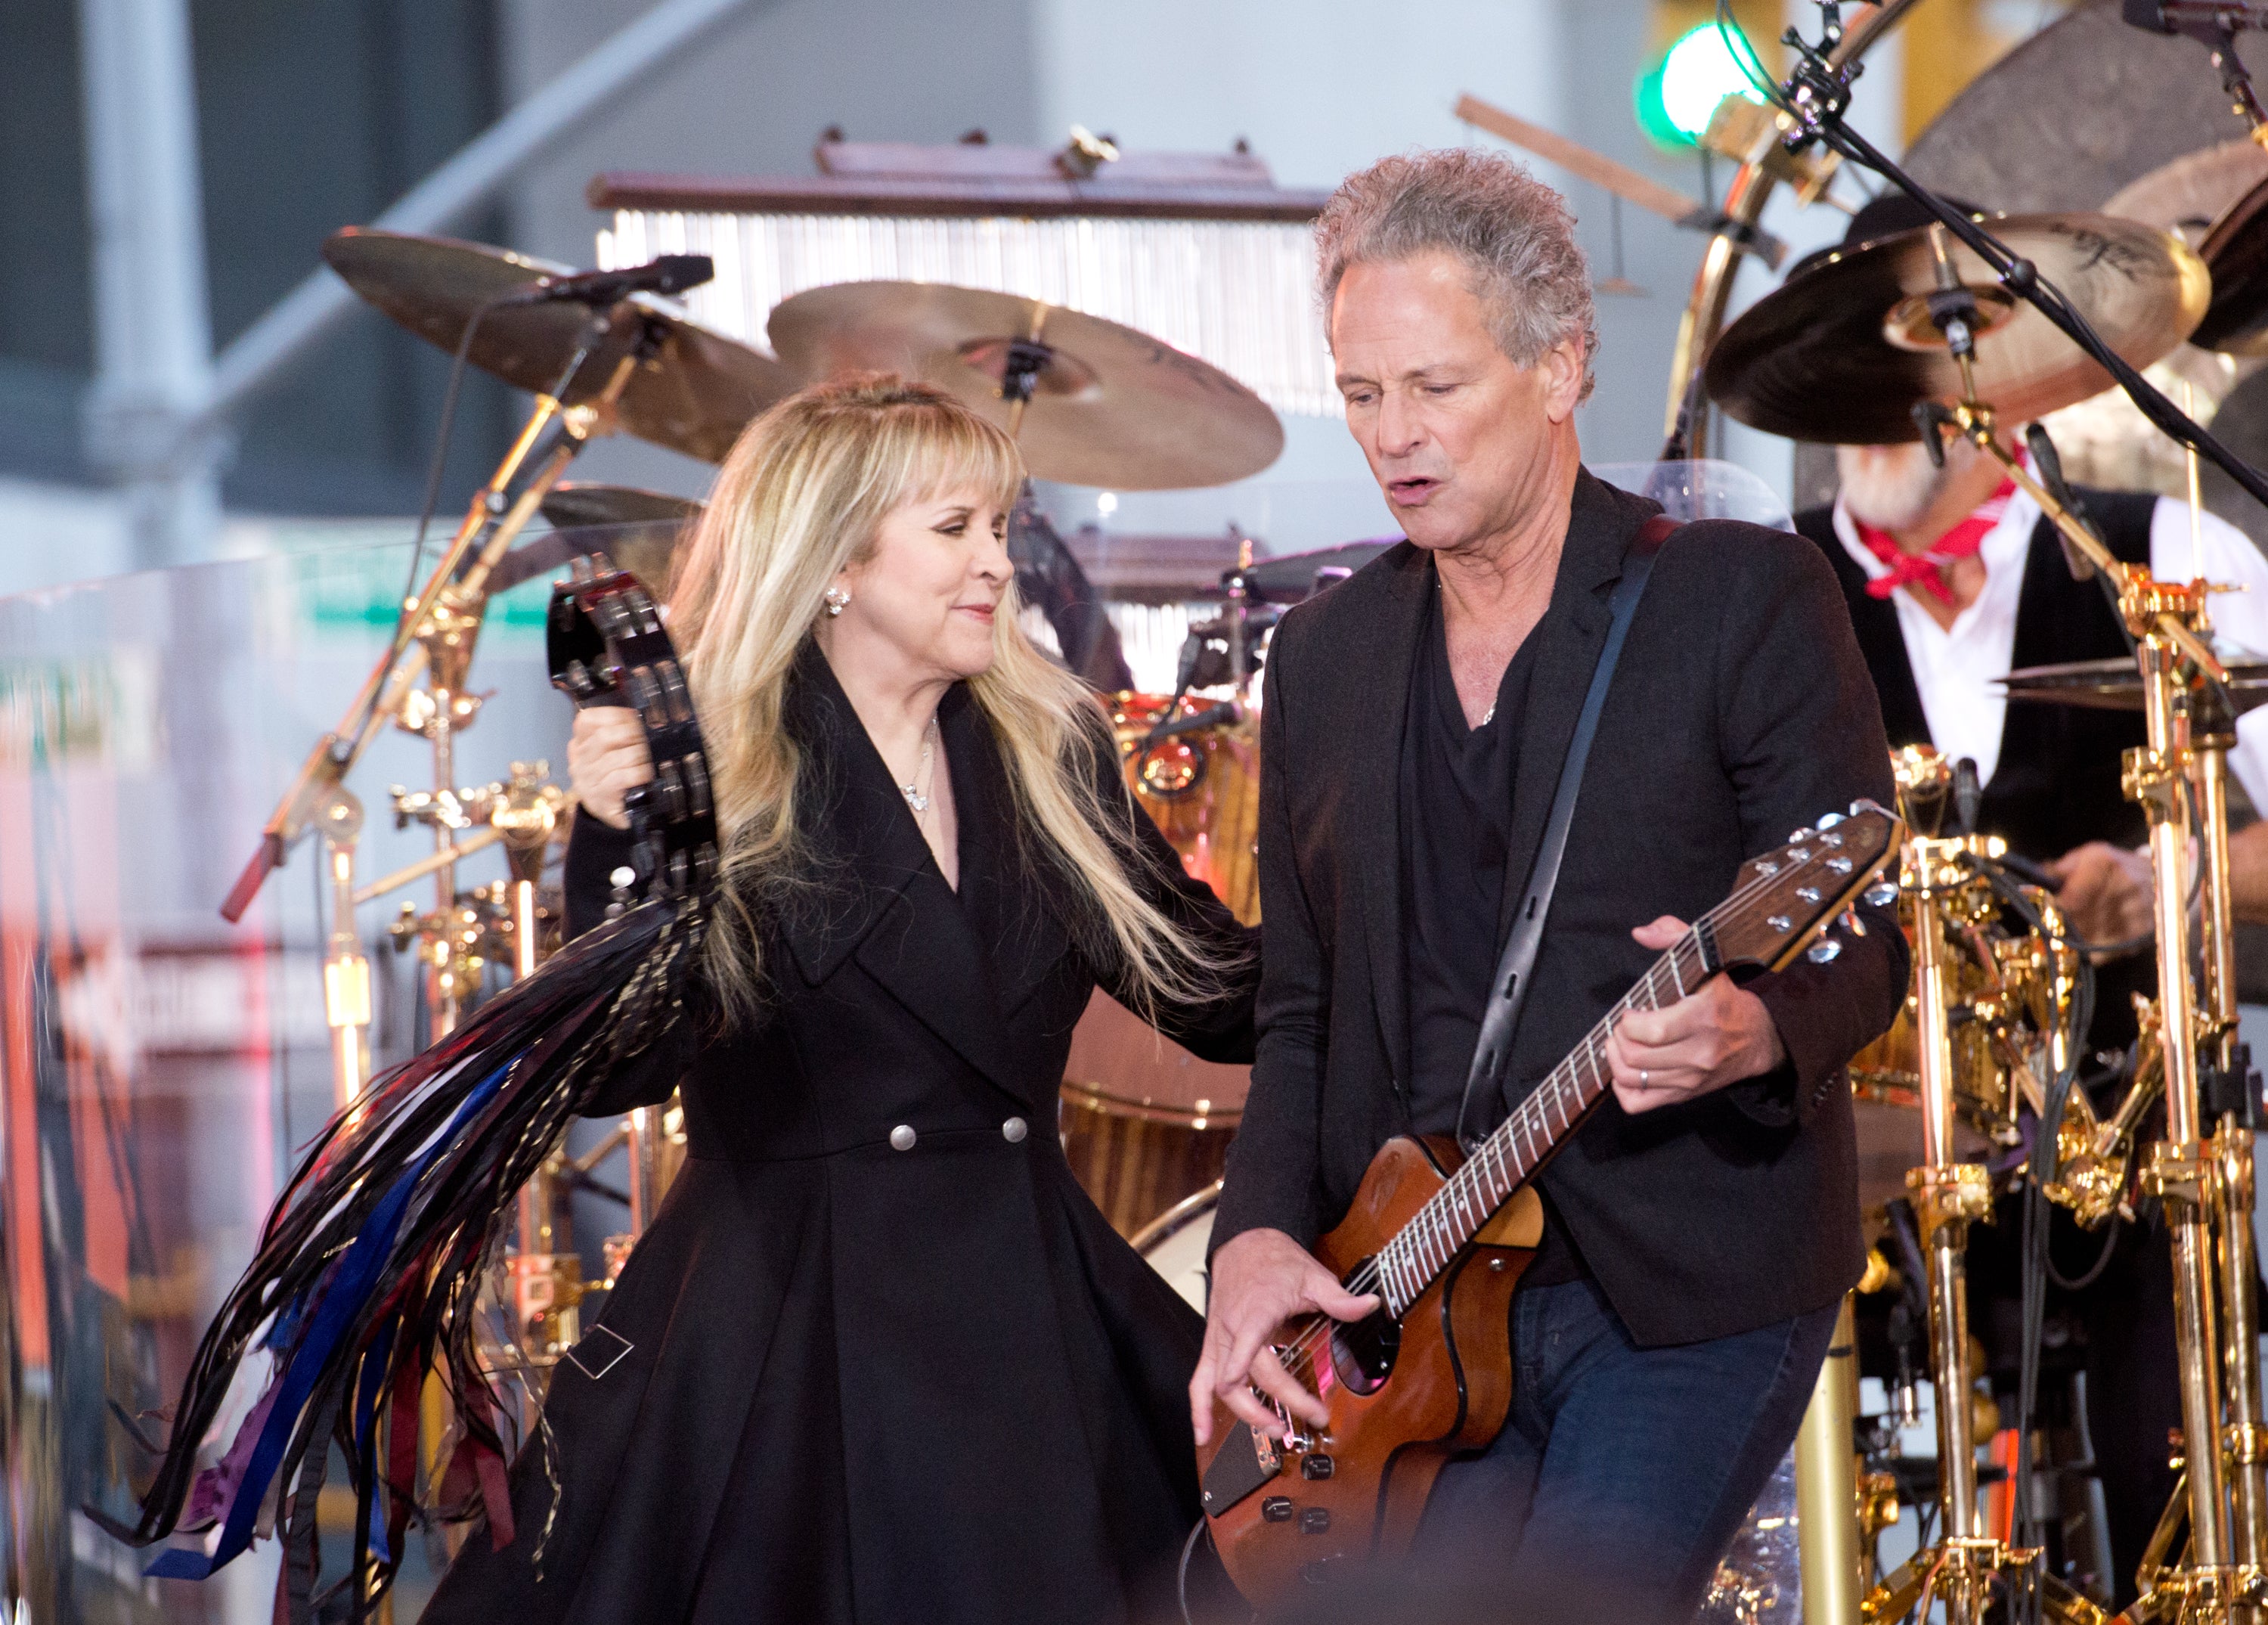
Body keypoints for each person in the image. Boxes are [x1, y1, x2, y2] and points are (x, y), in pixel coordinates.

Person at [1190, 148, 1908, 1621]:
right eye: (1363, 391)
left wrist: (1760, 1030)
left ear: (1564, 365)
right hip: (1419, 1306)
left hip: (1685, 1286)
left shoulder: (1738, 598)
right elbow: (1300, 1004)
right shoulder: (1322, 658)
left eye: (1435, 387)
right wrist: (1256, 1236)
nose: (1394, 435)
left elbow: (1867, 934)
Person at [423, 374, 1257, 1625]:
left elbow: (1217, 996)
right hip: (781, 1353)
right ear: (836, 563)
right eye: (955, 528)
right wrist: (615, 836)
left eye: (1001, 526)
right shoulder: (719, 770)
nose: (996, 562)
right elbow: (617, 1071)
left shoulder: (1053, 754)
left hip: (1028, 1336)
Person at [1792, 193, 2268, 1600]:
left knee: (2167, 1468)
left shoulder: (2168, 560)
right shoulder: (1762, 599)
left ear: (1994, 364)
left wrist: (2170, 878)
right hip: (1856, 1180)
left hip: (2122, 1153)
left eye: (1909, 353)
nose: (1871, 398)